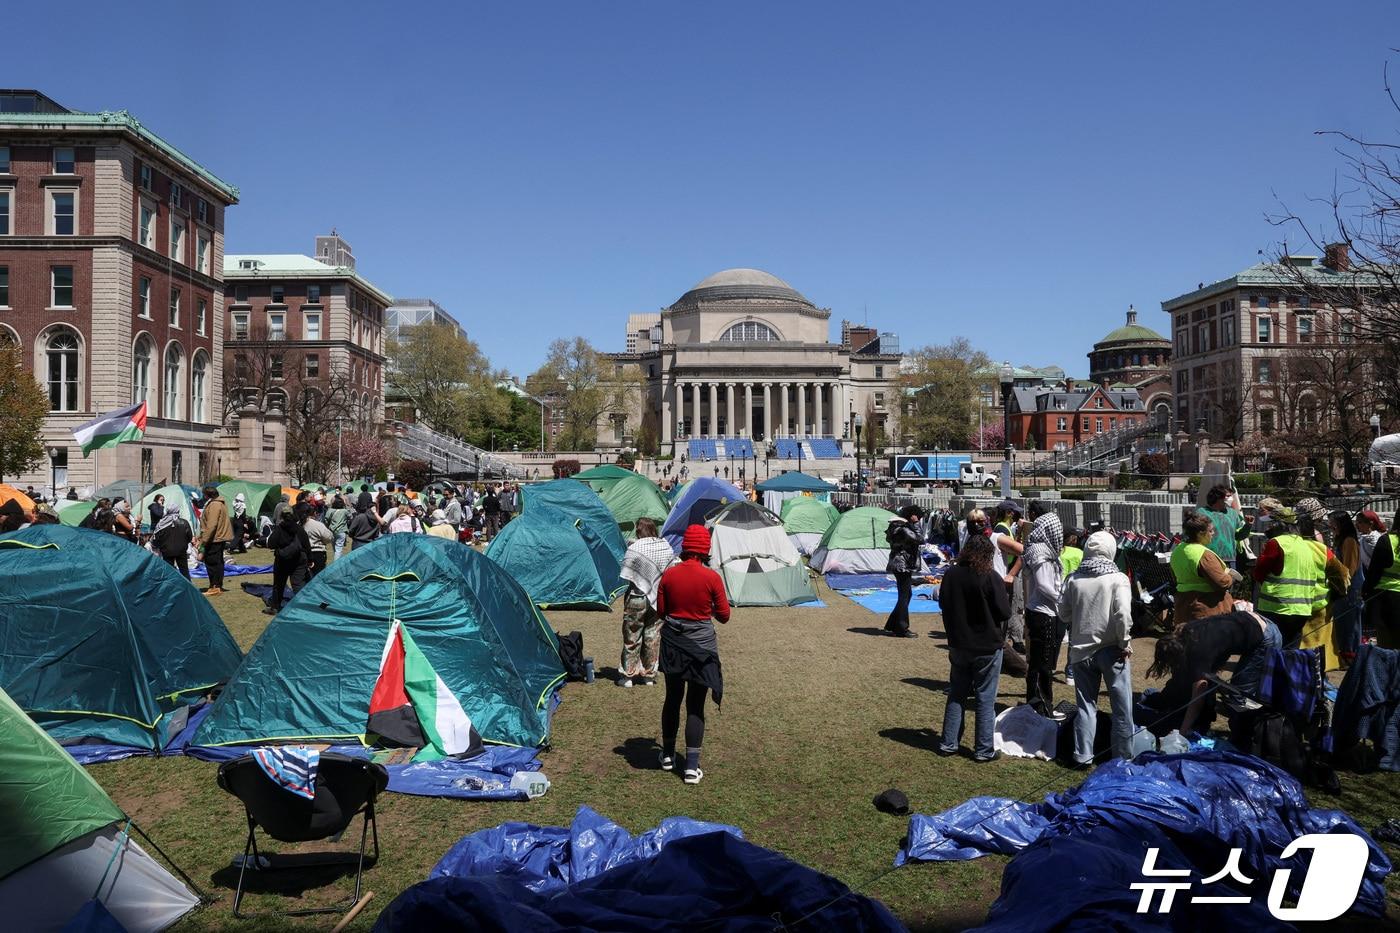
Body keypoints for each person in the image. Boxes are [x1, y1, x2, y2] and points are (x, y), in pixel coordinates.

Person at [656, 524, 730, 785]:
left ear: (685, 547)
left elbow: (661, 612)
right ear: (705, 549)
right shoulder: (711, 578)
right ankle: (691, 767)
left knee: (672, 699)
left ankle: (666, 756)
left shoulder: (669, 576)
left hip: (674, 645)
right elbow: (724, 616)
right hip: (702, 648)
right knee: (695, 705)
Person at [1060, 531, 1135, 765]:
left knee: (1086, 706)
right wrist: (1125, 641)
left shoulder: (1073, 579)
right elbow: (1123, 613)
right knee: (1122, 708)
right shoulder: (1117, 578)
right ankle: (1122, 757)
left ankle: (1082, 754)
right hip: (1113, 649)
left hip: (1081, 650)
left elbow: (1063, 613)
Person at [1145, 608, 1282, 736]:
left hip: (1265, 637)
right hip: (1252, 620)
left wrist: (1183, 731)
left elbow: (1198, 697)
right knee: (1218, 684)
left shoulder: (1198, 653)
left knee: (1240, 694)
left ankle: (1242, 738)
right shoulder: (1187, 632)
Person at [936, 535, 1010, 761]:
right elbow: (1004, 612)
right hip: (986, 646)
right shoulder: (990, 577)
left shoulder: (950, 575)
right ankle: (983, 748)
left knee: (957, 694)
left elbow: (942, 602)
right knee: (985, 698)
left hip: (959, 644)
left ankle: (949, 743)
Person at [617, 517, 677, 687]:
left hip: (636, 597)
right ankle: (649, 675)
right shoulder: (665, 546)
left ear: (638, 530)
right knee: (653, 636)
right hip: (658, 598)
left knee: (632, 635)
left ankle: (628, 675)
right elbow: (671, 569)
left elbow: (626, 568)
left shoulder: (635, 548)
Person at [1021, 507, 1064, 716]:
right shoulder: (1041, 552)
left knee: (1041, 664)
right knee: (1042, 665)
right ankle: (1040, 707)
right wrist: (1064, 599)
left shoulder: (1045, 551)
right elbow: (1045, 586)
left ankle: (1038, 704)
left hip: (1044, 612)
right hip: (1043, 613)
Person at [1171, 509, 1235, 627]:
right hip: (1205, 609)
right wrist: (1230, 577)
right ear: (1200, 533)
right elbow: (1221, 583)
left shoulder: (1178, 550)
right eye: (1210, 531)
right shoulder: (1204, 554)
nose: (1213, 533)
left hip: (1183, 607)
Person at [884, 505, 925, 638]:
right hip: (902, 564)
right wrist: (916, 523)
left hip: (899, 563)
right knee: (905, 595)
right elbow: (920, 539)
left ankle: (892, 624)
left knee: (906, 594)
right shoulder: (903, 529)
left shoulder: (896, 527)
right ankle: (901, 627)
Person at [1362, 509, 1400, 649]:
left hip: (1385, 598)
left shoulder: (1387, 540)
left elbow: (1374, 573)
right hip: (1388, 599)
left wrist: (1365, 592)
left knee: (1386, 644)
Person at [265, 505, 311, 614]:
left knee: (278, 585)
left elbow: (271, 543)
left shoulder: (279, 529)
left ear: (282, 516)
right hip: (298, 560)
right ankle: (304, 607)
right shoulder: (299, 529)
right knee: (297, 584)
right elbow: (306, 545)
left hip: (282, 560)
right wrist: (310, 559)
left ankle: (275, 607)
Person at [1330, 511, 1363, 664]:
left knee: (1350, 624)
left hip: (1349, 589)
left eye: (1334, 523)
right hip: (1342, 588)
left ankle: (1351, 655)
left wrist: (1342, 584)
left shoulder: (1349, 541)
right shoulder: (1340, 540)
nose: (1331, 526)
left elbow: (1350, 567)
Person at [196, 485, 232, 596]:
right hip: (217, 537)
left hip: (214, 538)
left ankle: (215, 586)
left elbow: (212, 525)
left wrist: (204, 540)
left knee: (212, 563)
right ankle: (217, 585)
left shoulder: (215, 505)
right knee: (218, 562)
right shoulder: (218, 503)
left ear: (208, 494)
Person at [1203, 484, 1248, 569]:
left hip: (1230, 559)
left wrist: (1248, 526)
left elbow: (1238, 536)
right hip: (1209, 558)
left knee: (1230, 581)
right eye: (1228, 496)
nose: (1231, 498)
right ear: (1219, 497)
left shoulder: (1233, 513)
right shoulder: (1202, 513)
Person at [151, 504, 194, 578]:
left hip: (166, 551)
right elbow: (189, 537)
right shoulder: (184, 522)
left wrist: (158, 546)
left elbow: (156, 538)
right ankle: (187, 588)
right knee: (184, 571)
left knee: (169, 572)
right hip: (181, 550)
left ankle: (171, 588)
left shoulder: (161, 524)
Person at [303, 507, 334, 577]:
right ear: (314, 513)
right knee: (318, 576)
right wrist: (323, 541)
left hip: (304, 552)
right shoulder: (317, 524)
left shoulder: (300, 523)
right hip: (317, 552)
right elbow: (328, 537)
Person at [1357, 509, 1385, 574]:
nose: (1357, 525)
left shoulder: (1374, 538)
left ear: (1371, 524)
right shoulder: (1363, 538)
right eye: (1357, 522)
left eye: (1360, 522)